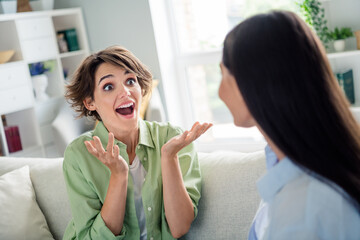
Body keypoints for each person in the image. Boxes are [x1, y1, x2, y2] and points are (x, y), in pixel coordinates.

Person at [218, 10, 360, 239]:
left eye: (223, 74)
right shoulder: (308, 166)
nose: (219, 92)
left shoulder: (303, 211)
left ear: (251, 85)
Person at [62, 45, 212, 240]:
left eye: (130, 81)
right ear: (90, 102)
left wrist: (169, 157)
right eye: (108, 86)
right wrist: (119, 175)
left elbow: (179, 228)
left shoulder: (171, 139)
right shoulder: (79, 154)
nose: (125, 92)